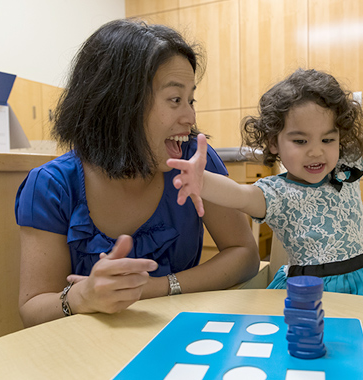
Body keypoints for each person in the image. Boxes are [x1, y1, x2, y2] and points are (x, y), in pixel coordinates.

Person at [167, 27, 363, 298]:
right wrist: (201, 180)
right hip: (311, 296)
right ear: (274, 142)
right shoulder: (275, 192)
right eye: (300, 141)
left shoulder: (346, 167)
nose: (316, 152)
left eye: (327, 139)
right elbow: (239, 195)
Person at [14, 19, 260, 327]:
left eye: (190, 100)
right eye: (175, 100)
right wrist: (82, 297)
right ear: (120, 104)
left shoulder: (194, 164)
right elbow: (32, 309)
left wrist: (158, 287)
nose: (190, 116)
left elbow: (244, 254)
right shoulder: (51, 185)